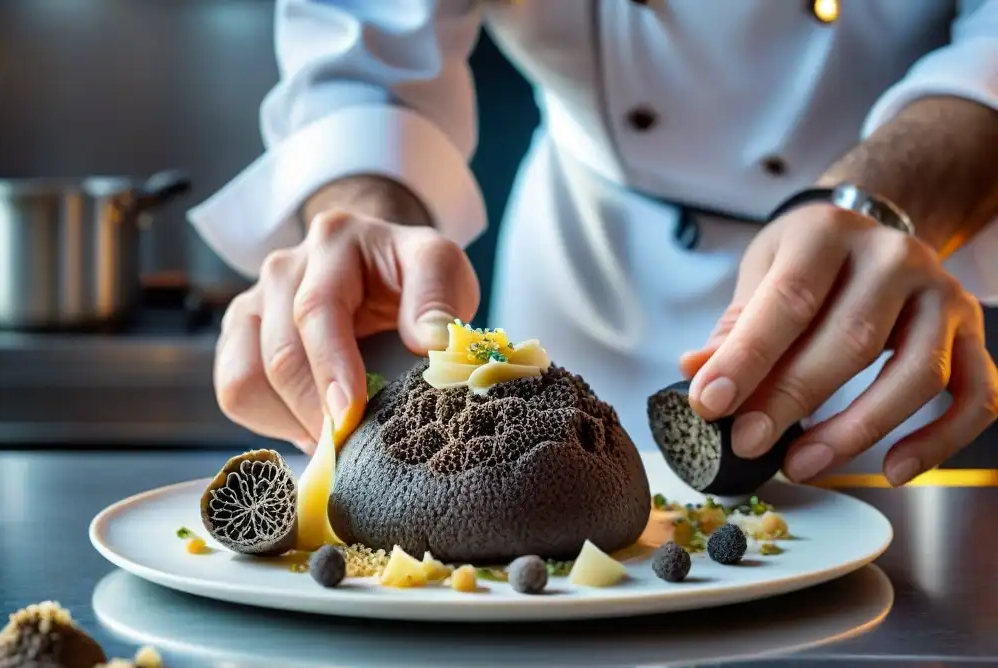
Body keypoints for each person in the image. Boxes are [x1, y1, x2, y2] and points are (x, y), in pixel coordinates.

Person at [188, 0, 998, 485]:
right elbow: (366, 43)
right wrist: (364, 202)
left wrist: (879, 201)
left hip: (885, 284)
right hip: (590, 267)